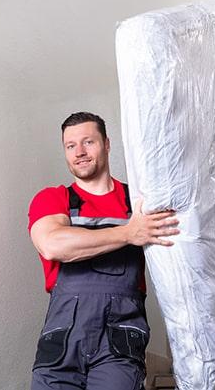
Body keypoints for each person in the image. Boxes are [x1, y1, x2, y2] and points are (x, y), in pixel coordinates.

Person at [28, 111, 179, 389]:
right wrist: (128, 233)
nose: (79, 152)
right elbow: (53, 244)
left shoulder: (138, 203)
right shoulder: (53, 198)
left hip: (119, 341)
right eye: (70, 146)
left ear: (107, 144)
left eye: (88, 142)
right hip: (63, 341)